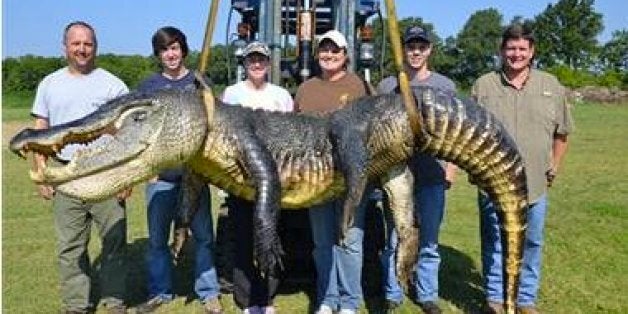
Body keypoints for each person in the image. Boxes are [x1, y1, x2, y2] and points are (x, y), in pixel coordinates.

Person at [471, 23, 573, 314]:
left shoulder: (551, 85)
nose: (516, 54)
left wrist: (554, 164)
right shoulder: (484, 85)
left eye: (522, 49)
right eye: (510, 48)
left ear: (532, 51)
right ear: (502, 51)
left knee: (532, 241)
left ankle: (526, 299)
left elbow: (562, 133)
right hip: (493, 183)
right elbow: (469, 133)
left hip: (535, 184)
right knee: (495, 241)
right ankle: (495, 297)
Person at [30, 21, 130, 314]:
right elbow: (40, 129)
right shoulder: (49, 84)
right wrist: (41, 173)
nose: (82, 49)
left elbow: (126, 133)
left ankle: (114, 301)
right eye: (76, 43)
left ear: (95, 47)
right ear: (65, 47)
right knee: (70, 247)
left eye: (87, 43)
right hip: (65, 174)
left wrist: (125, 176)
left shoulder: (113, 85)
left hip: (105, 173)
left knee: (113, 242)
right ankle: (76, 305)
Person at [135, 26, 223, 314]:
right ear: (158, 54)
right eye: (164, 50)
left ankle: (209, 292)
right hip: (161, 179)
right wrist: (149, 171)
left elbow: (215, 127)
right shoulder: (148, 87)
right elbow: (136, 129)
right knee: (158, 241)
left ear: (183, 50)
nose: (170, 54)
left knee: (203, 238)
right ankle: (160, 292)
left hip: (195, 178)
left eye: (174, 48)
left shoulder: (200, 83)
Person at [376, 25, 457, 314]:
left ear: (429, 49)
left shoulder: (445, 86)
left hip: (432, 172)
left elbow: (454, 132)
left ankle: (426, 294)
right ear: (404, 50)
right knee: (395, 236)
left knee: (429, 239)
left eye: (421, 46)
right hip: (396, 175)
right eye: (411, 46)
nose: (416, 51)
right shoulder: (387, 86)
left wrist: (451, 170)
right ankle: (393, 291)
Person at [294, 29, 369, 314]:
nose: (329, 55)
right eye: (324, 50)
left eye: (335, 51)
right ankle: (328, 298)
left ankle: (349, 302)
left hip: (350, 178)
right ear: (316, 55)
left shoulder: (358, 86)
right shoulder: (305, 88)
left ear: (345, 55)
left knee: (349, 241)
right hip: (317, 179)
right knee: (322, 242)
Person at [221, 41, 294, 314]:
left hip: (274, 180)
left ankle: (268, 297)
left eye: (261, 59)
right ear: (245, 63)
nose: (256, 63)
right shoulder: (231, 93)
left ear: (268, 63)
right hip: (241, 180)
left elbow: (291, 136)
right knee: (242, 238)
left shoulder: (282, 95)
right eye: (252, 59)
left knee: (272, 238)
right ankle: (246, 299)